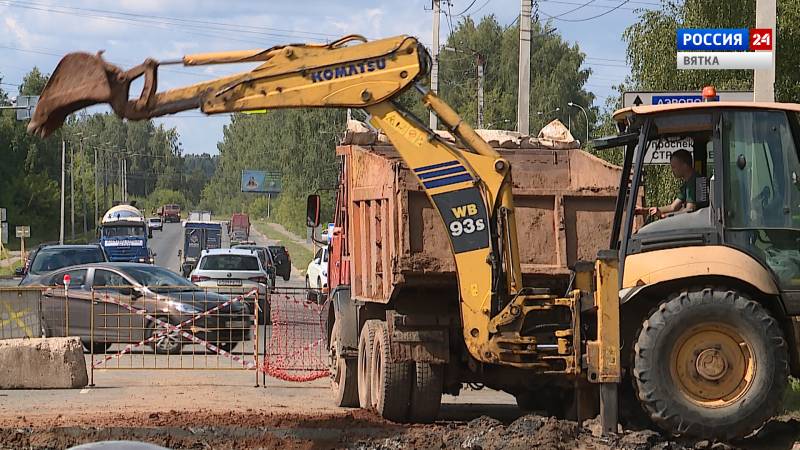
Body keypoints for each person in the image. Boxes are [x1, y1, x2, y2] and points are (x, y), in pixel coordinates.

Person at [637, 149, 698, 218]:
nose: (672, 170)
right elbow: (673, 207)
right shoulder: (687, 184)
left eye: (674, 167)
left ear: (685, 166)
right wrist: (645, 210)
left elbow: (690, 210)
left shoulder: (694, 183)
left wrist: (667, 216)